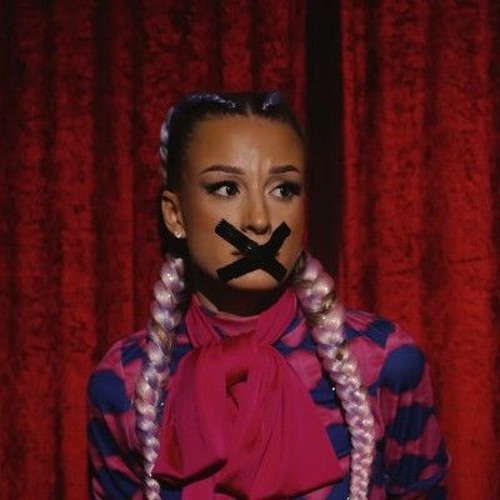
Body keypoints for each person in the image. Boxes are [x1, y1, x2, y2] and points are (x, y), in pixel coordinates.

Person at [87, 92, 449, 499]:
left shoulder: (384, 361)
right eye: (226, 188)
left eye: (283, 190)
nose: (259, 220)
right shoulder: (124, 382)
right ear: (175, 215)